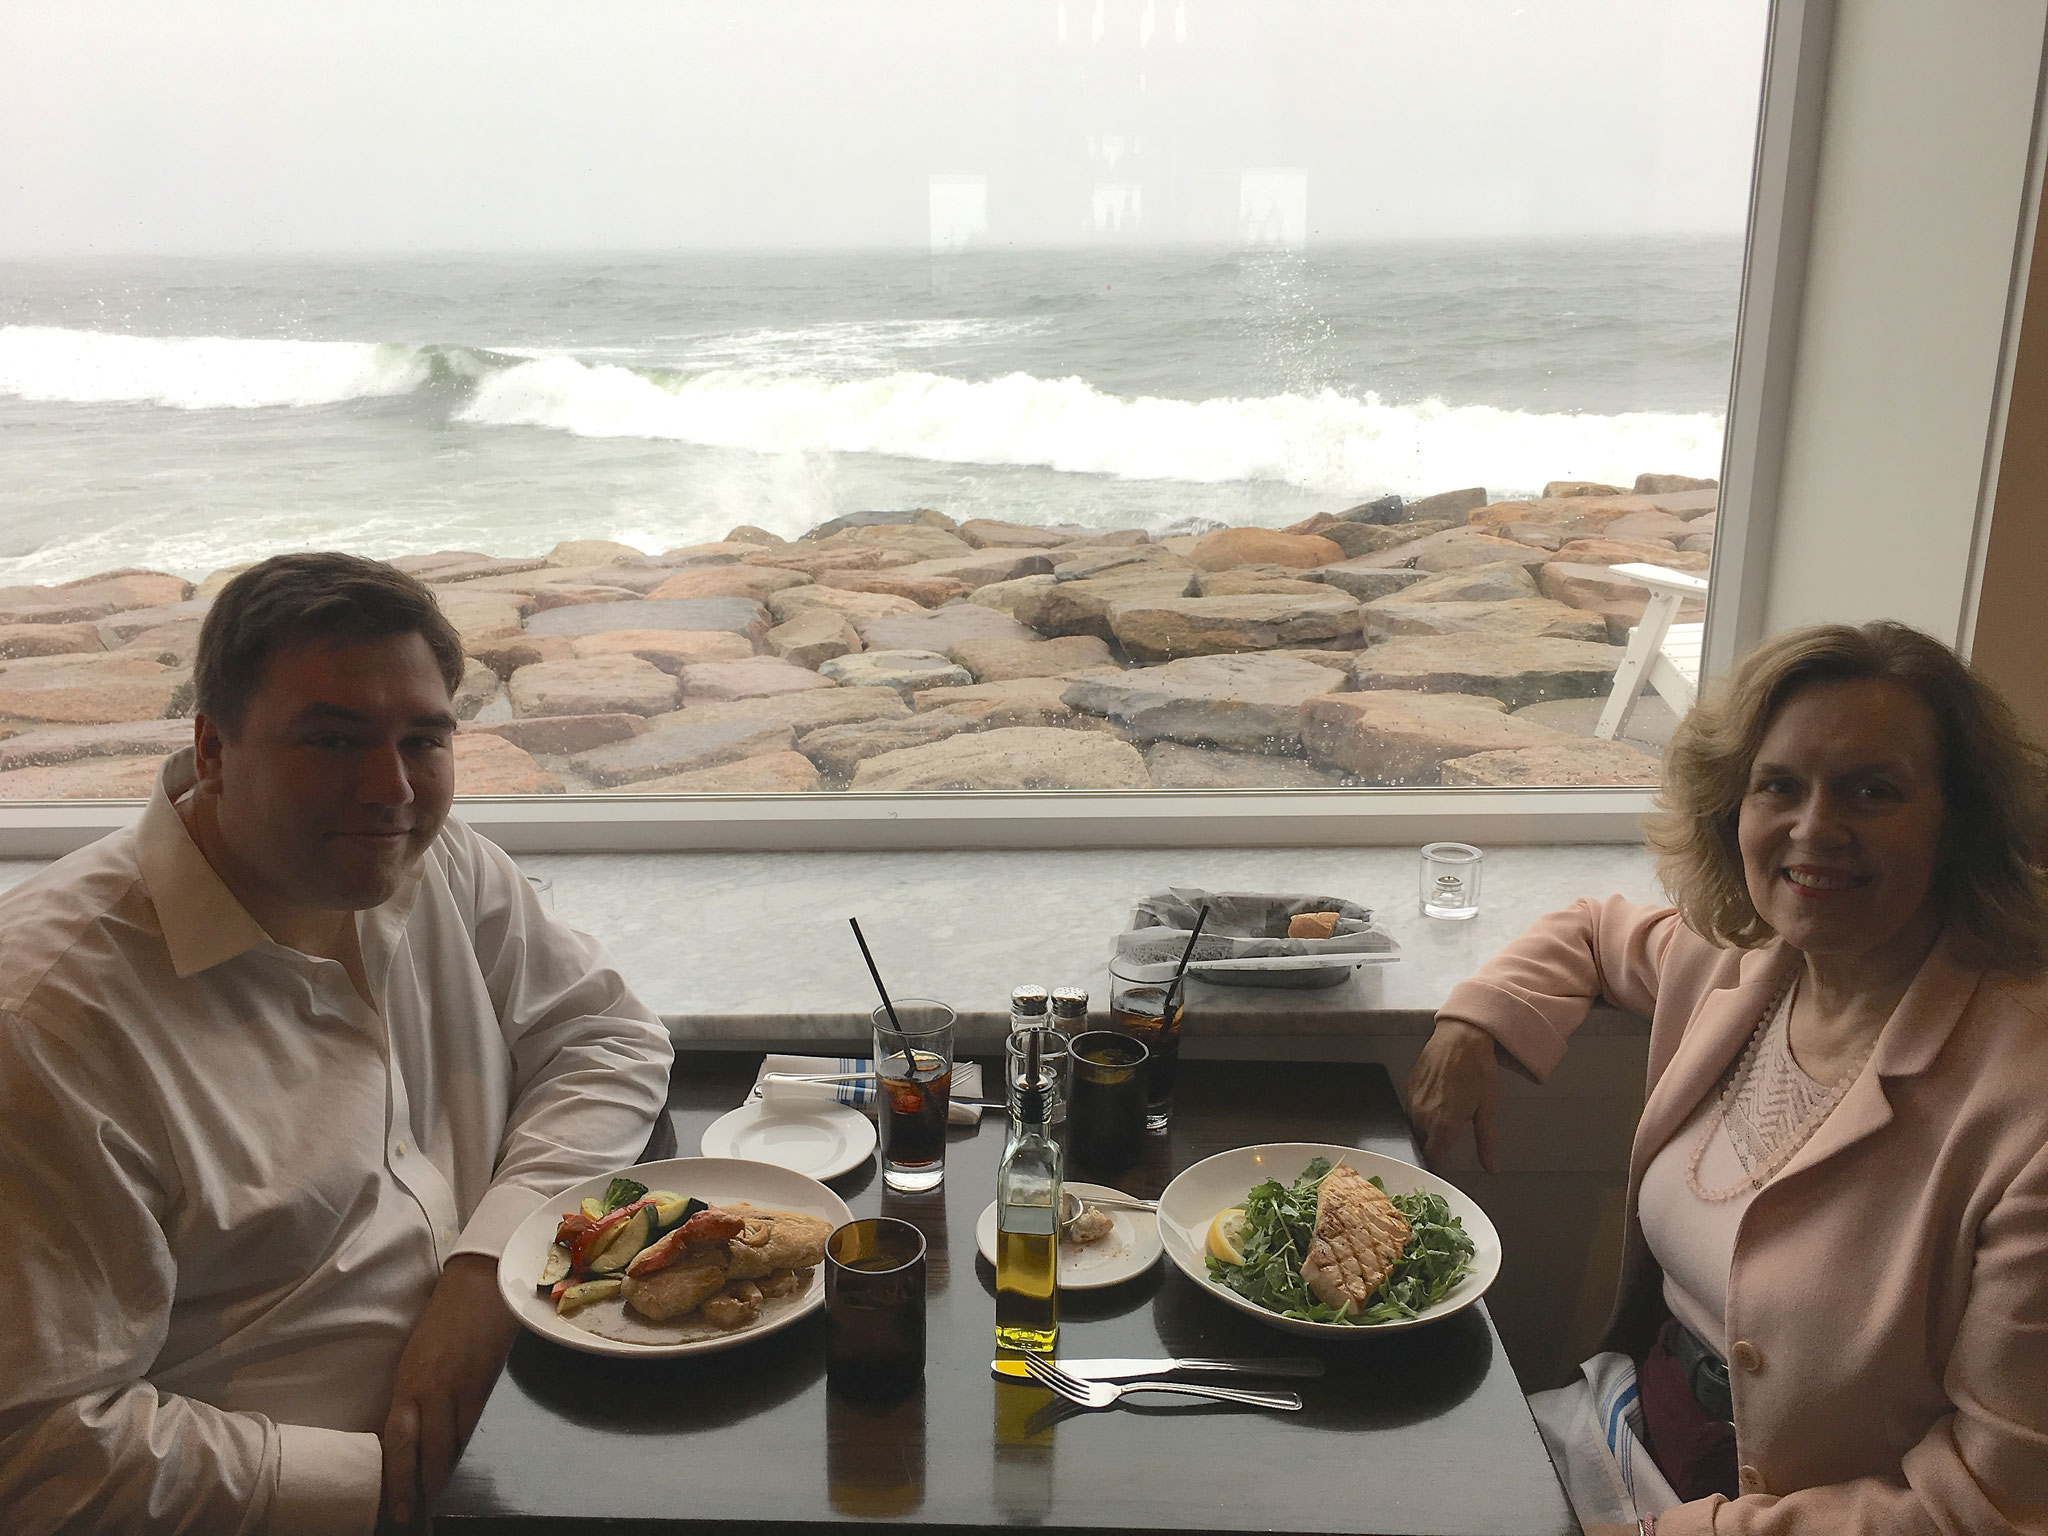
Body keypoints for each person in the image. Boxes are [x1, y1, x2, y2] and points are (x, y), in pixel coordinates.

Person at [0, 553, 675, 1535]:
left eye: (422, 739)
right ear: (214, 748)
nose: (389, 788)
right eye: (331, 739)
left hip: (542, 1387)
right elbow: (41, 1451)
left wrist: (487, 1271)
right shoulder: (53, 1028)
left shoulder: (431, 855)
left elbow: (605, 1037)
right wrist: (388, 1488)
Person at [1406, 620, 2048, 1536]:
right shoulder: (1739, 959)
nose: (1816, 829)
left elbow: (1992, 1506)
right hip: (1619, 1432)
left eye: (1874, 792)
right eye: (1778, 786)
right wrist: (1476, 1019)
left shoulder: (2026, 1112)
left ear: (1958, 823)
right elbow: (1592, 930)